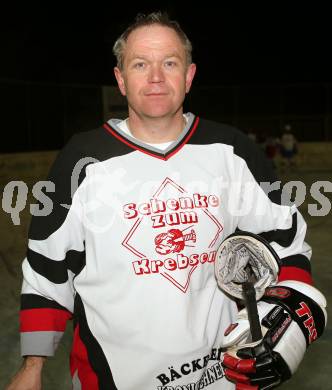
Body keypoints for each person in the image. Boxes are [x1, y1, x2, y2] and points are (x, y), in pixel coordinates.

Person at [7, 12, 327, 390]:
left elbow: (287, 246)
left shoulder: (233, 151)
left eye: (169, 63)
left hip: (222, 378)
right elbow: (49, 269)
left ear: (189, 76)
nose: (156, 77)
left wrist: (286, 320)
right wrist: (33, 366)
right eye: (140, 64)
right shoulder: (82, 160)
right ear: (120, 79)